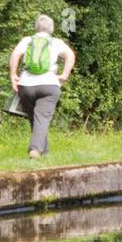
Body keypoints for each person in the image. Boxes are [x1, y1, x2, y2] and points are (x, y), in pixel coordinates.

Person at [9, 15, 76, 159]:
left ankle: (44, 154)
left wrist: (13, 74)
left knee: (36, 120)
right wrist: (64, 74)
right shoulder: (56, 42)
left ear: (36, 28)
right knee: (42, 119)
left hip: (26, 86)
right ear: (51, 29)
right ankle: (35, 150)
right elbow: (70, 55)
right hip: (49, 85)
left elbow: (15, 55)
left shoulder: (27, 40)